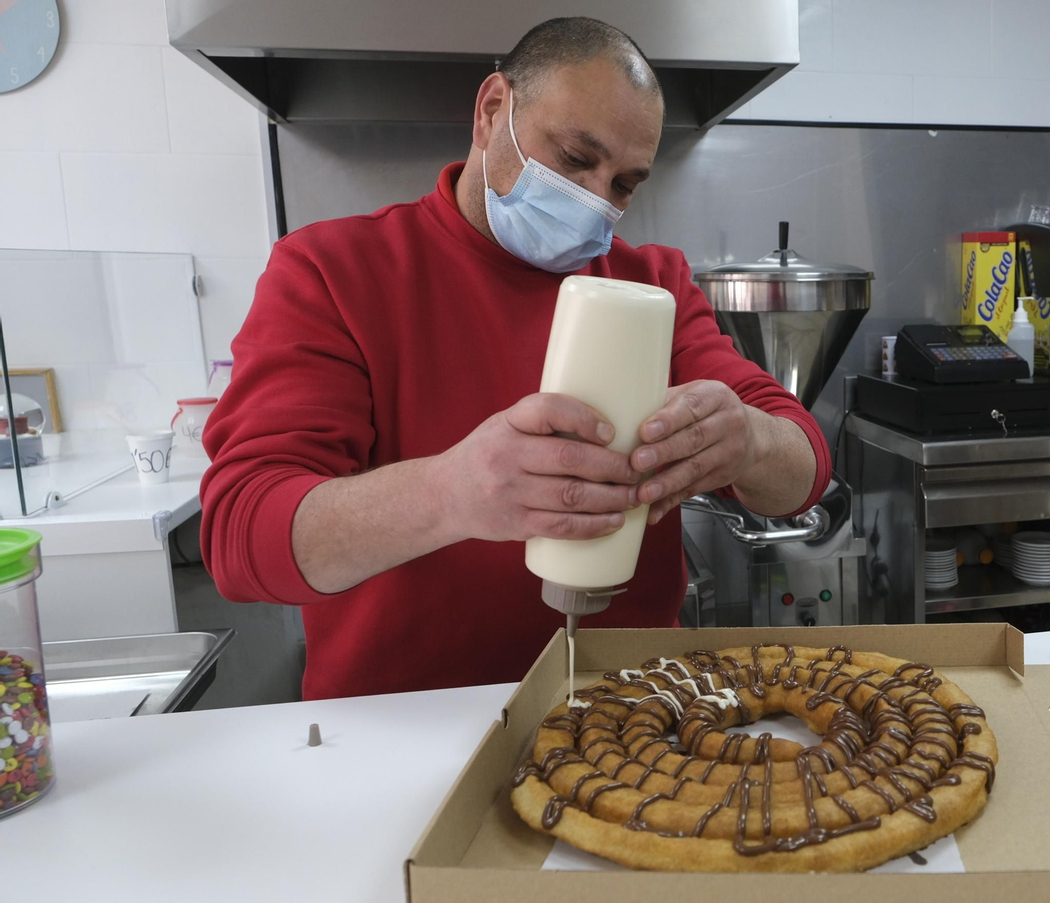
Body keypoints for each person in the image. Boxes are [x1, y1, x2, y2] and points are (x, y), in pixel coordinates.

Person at [200, 17, 829, 700]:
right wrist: (452, 492)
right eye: (573, 158)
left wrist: (744, 439)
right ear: (493, 110)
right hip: (403, 729)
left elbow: (805, 468)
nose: (594, 200)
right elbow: (242, 535)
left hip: (630, 712)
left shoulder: (652, 286)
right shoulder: (332, 274)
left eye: (623, 185)